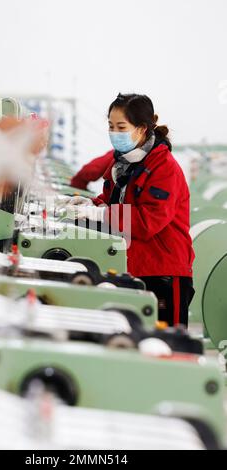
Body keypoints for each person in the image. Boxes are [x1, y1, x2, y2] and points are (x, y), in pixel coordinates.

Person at [66, 93, 195, 327]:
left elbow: (148, 221)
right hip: (134, 263)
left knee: (168, 343)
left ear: (141, 128)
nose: (114, 133)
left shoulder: (164, 168)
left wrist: (101, 214)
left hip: (163, 270)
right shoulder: (124, 163)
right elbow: (110, 201)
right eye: (111, 126)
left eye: (121, 127)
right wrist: (89, 205)